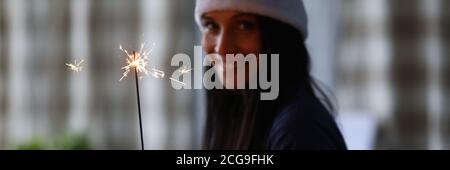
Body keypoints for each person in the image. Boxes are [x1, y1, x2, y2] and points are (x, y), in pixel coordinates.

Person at [195, 0, 347, 150]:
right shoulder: (243, 118)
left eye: (244, 26)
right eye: (211, 26)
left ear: (280, 36)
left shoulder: (299, 131)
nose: (222, 48)